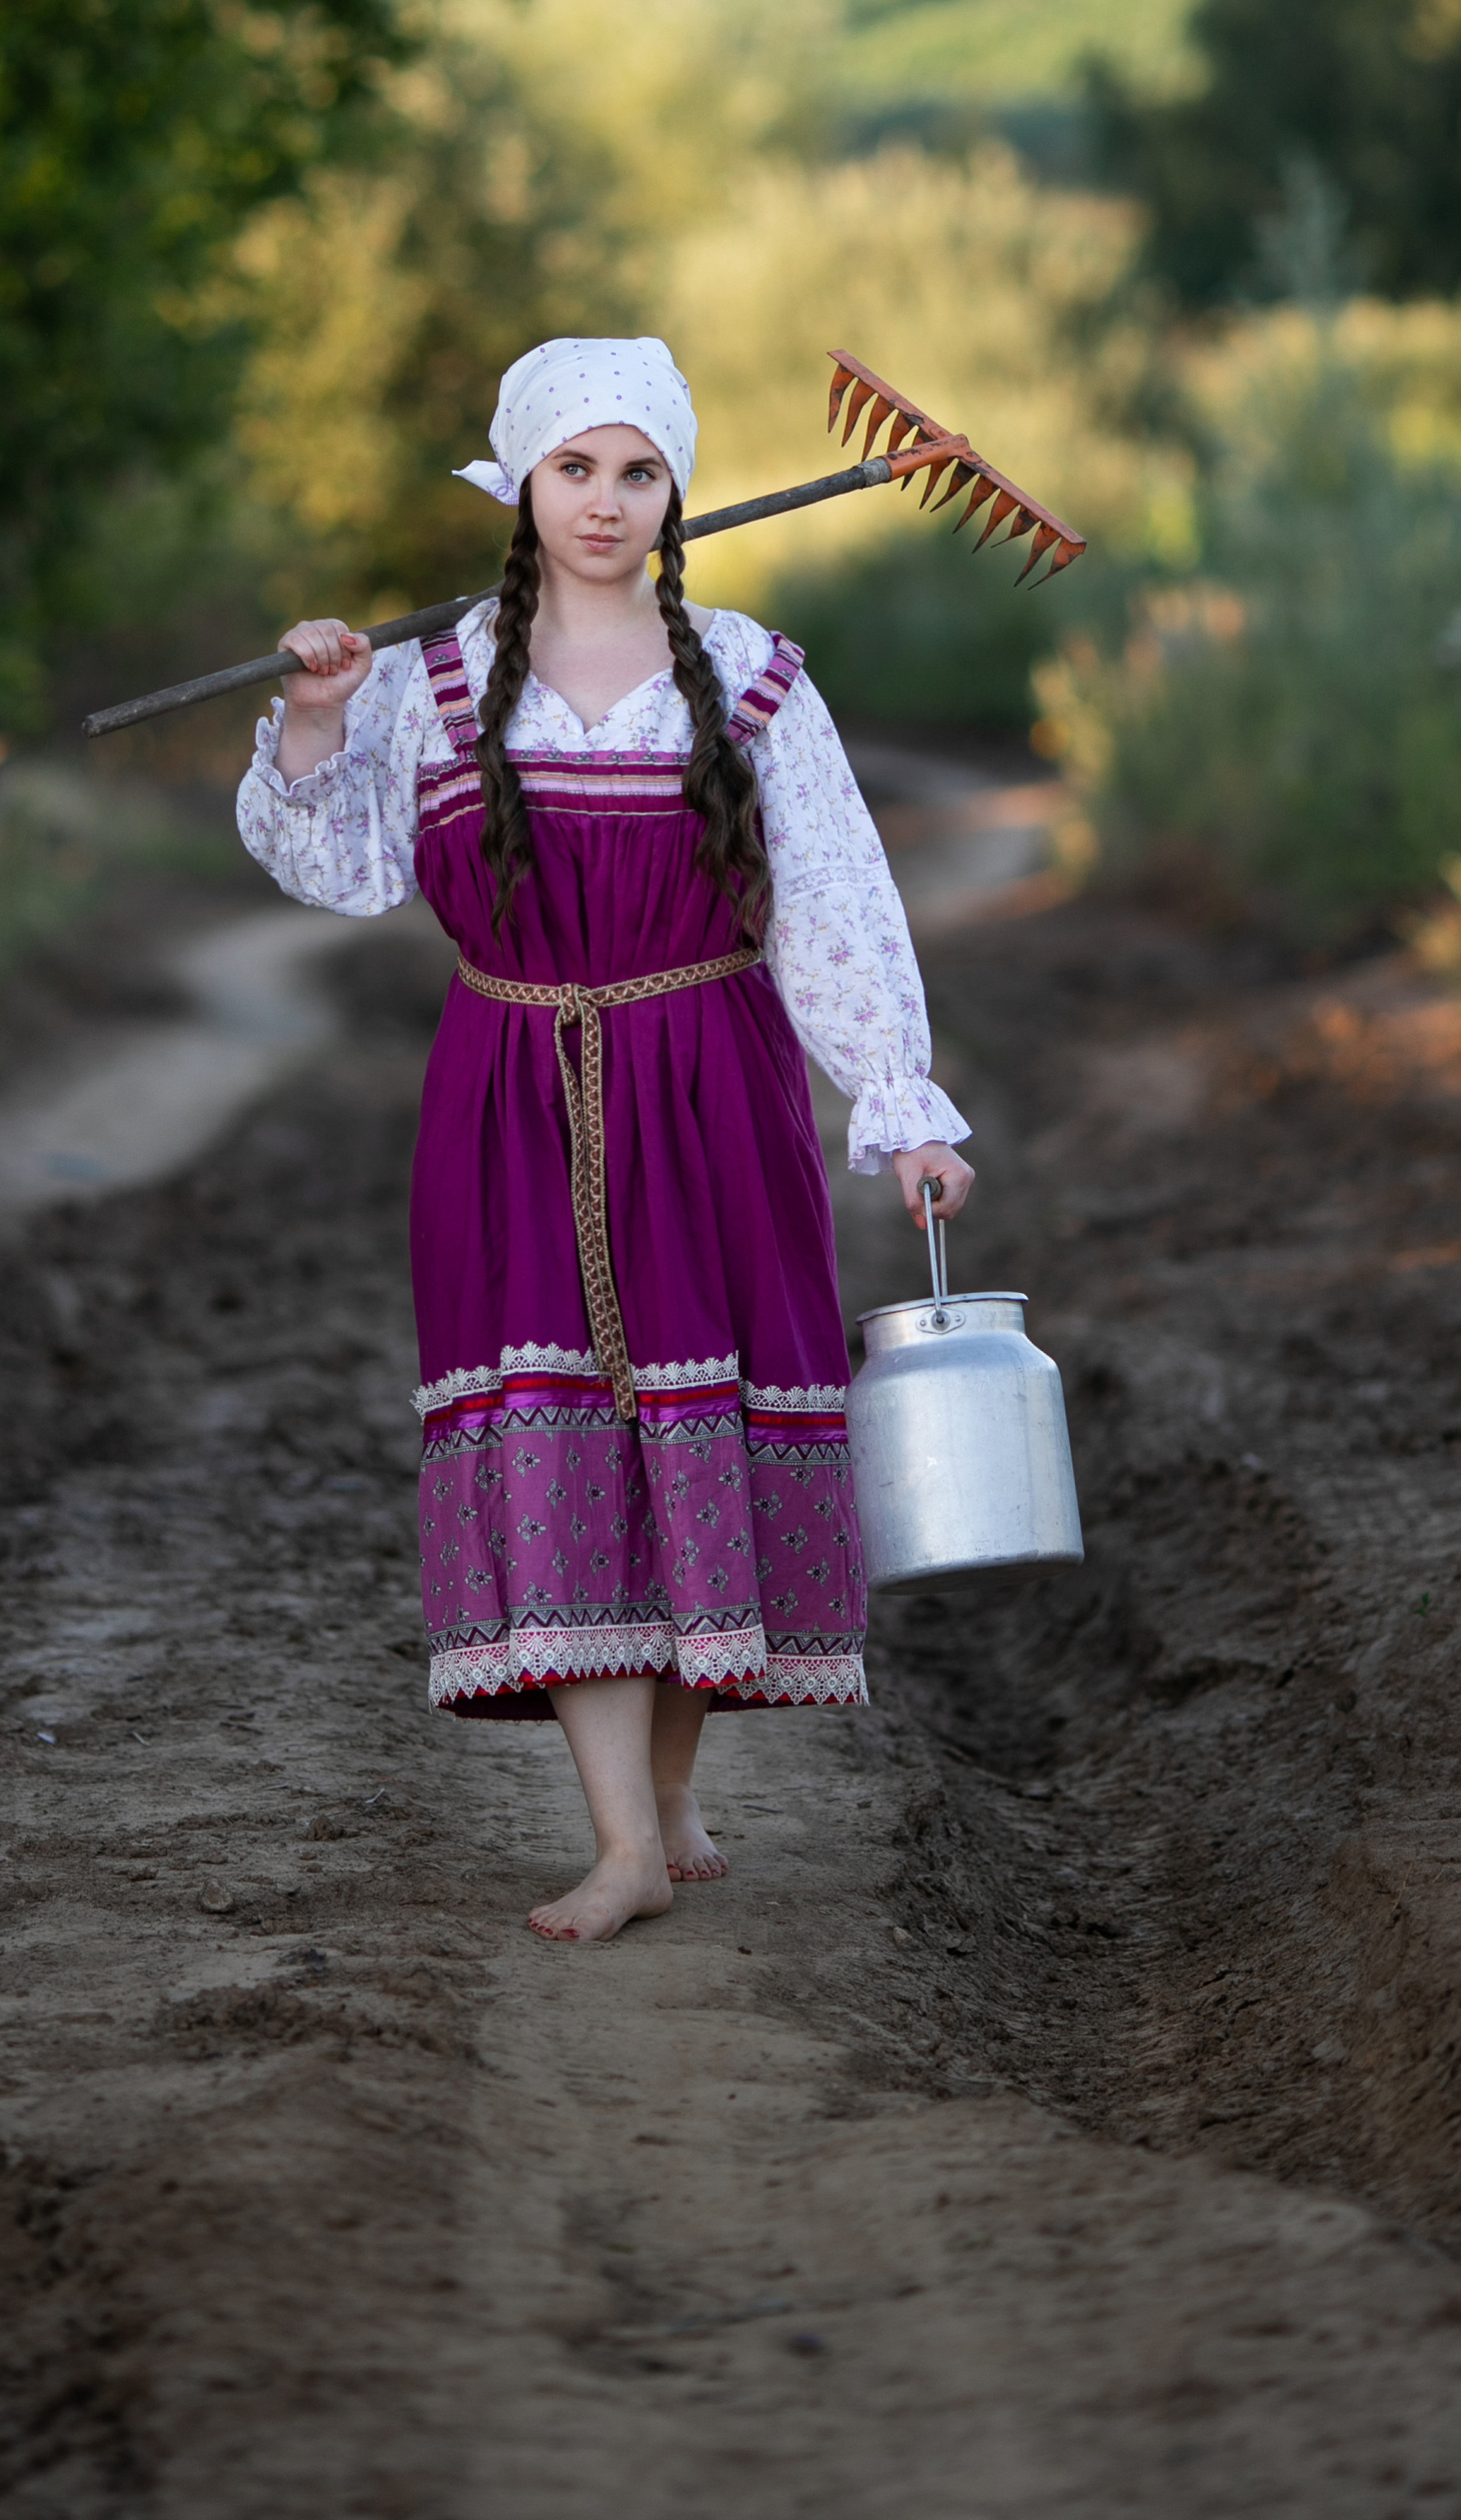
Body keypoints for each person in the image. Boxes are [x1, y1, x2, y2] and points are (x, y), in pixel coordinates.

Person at [236, 336, 972, 1943]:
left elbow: (839, 908)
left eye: (640, 472)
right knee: (562, 1432)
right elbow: (341, 864)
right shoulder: (435, 681)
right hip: (511, 1090)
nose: (610, 503)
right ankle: (624, 1840)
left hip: (715, 1084)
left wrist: (899, 1104)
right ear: (522, 485)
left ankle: (679, 1786)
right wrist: (309, 713)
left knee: (698, 1431)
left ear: (675, 491)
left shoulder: (754, 675)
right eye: (578, 469)